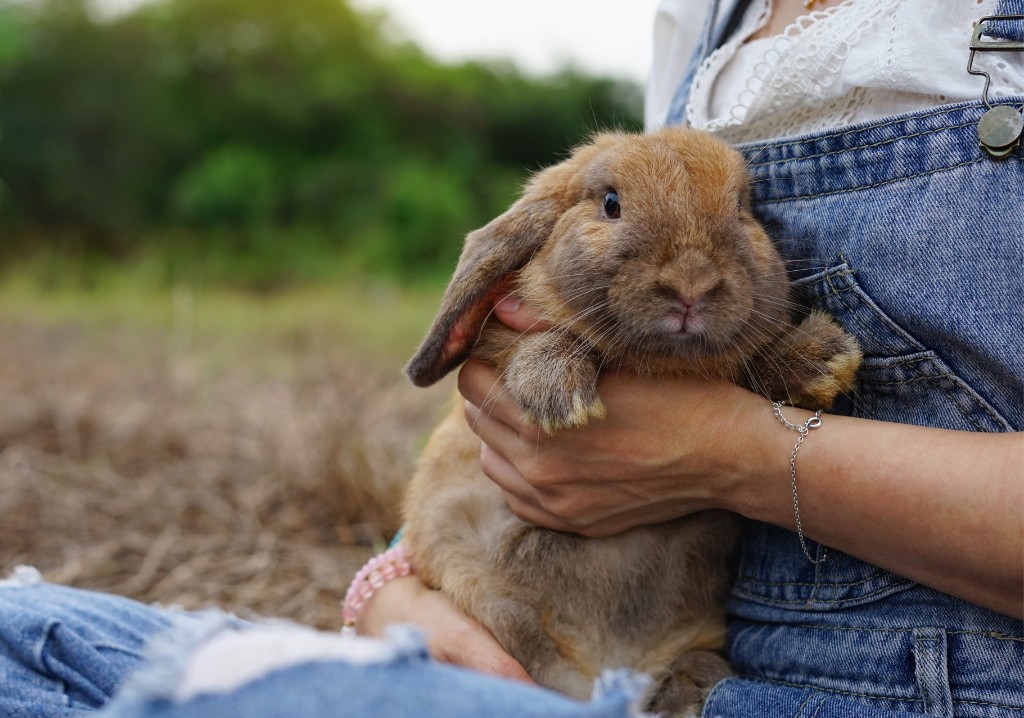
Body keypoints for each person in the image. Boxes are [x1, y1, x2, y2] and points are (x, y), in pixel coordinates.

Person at [3, 1, 1022, 717]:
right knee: (19, 637)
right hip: (528, 658)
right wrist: (398, 589)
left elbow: (688, 427)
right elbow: (506, 434)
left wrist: (738, 455)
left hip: (730, 679)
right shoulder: (704, 18)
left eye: (742, 219)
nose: (692, 277)